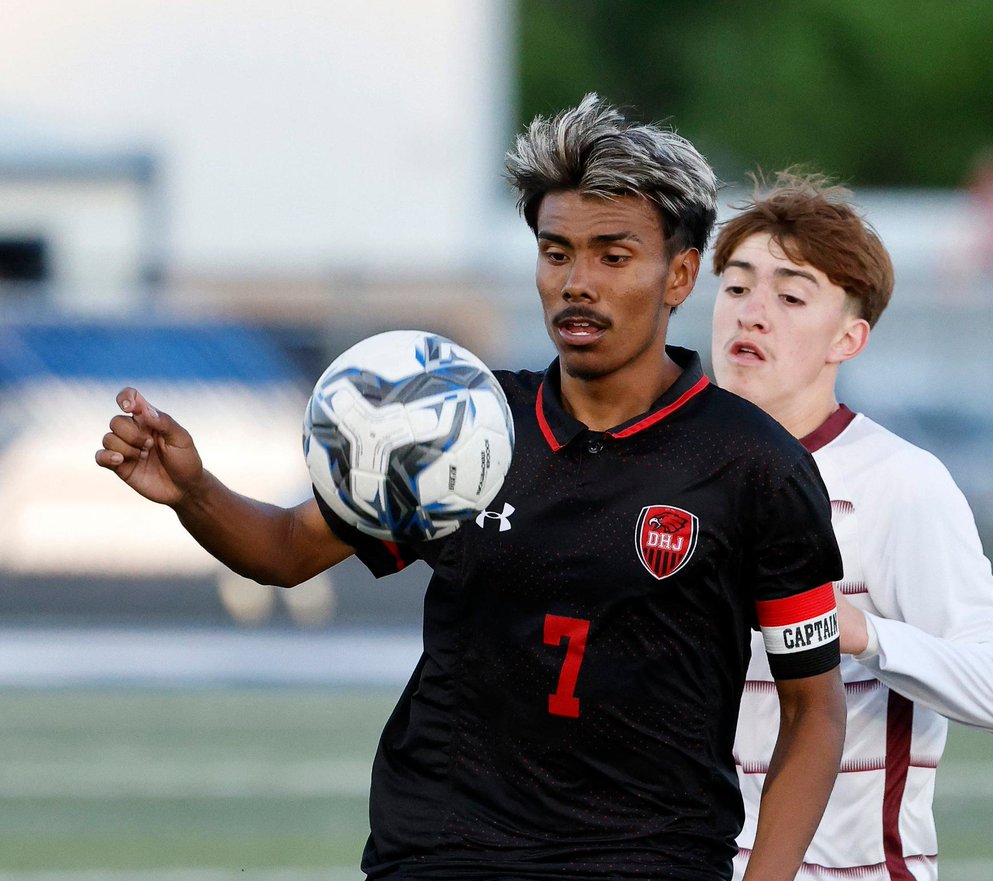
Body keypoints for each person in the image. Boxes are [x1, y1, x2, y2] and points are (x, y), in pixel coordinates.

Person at [95, 97, 846, 881]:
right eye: (556, 253)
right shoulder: (461, 421)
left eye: (612, 257)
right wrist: (193, 490)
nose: (577, 283)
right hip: (443, 853)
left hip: (649, 862)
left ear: (680, 275)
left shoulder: (753, 463)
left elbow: (814, 710)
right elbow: (285, 551)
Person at [709, 170, 993, 881]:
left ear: (849, 338)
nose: (752, 313)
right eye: (738, 287)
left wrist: (862, 632)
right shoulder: (671, 470)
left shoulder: (900, 483)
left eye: (790, 296)